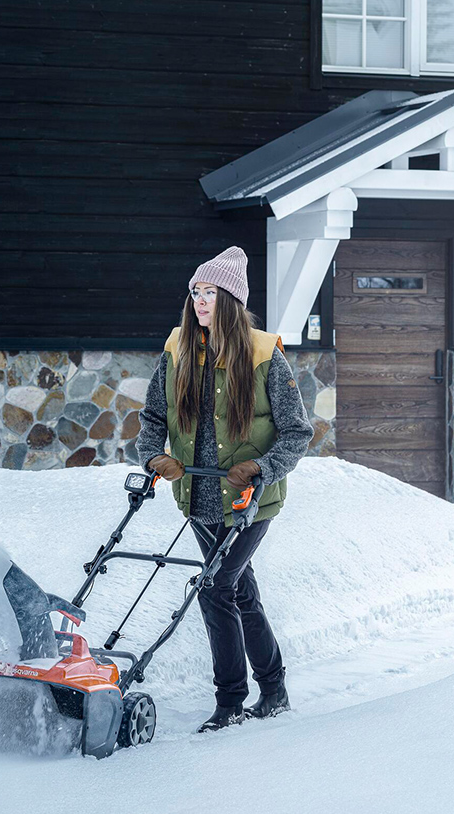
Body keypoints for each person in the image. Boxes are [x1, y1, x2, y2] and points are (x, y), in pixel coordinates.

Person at [134, 245, 314, 733]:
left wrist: (262, 466)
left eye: (209, 291)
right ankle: (273, 690)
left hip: (249, 501)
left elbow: (297, 432)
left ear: (230, 298)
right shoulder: (176, 351)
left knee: (215, 587)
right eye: (195, 290)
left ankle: (231, 701)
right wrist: (154, 457)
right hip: (198, 498)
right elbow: (152, 418)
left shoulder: (262, 355)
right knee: (238, 590)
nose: (199, 300)